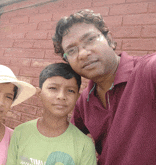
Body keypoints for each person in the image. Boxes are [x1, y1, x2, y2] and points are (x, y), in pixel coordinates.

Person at [52, 9, 156, 165]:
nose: (83, 53)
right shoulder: (84, 102)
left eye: (90, 39)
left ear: (110, 40)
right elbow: (68, 144)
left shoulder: (147, 72)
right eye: (71, 50)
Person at [6, 63, 97, 165]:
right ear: (39, 93)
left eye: (70, 90)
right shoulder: (20, 133)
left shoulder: (84, 145)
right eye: (53, 88)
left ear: (77, 97)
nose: (61, 96)